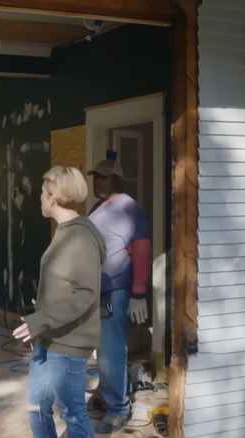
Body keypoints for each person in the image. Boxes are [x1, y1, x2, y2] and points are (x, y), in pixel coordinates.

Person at [13, 166, 106, 438]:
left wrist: (39, 320)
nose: (40, 197)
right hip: (48, 337)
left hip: (68, 343)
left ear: (52, 196)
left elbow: (86, 293)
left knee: (74, 414)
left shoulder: (80, 236)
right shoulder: (65, 231)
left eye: (43, 192)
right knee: (36, 406)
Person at [86, 158, 152, 434]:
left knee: (111, 350)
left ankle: (118, 409)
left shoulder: (129, 208)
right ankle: (109, 393)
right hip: (96, 290)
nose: (98, 181)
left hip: (116, 290)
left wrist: (138, 294)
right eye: (95, 177)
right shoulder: (98, 207)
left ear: (117, 180)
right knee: (103, 350)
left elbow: (142, 251)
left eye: (104, 177)